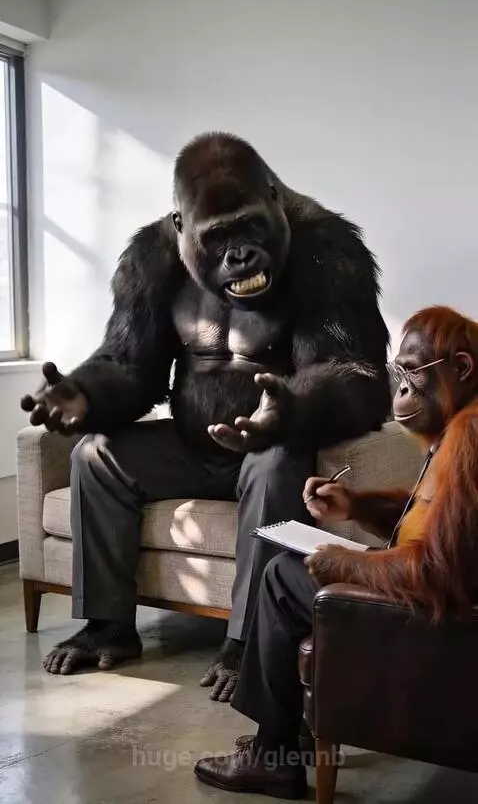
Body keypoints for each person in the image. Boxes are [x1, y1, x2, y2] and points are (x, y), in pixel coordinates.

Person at [21, 132, 390, 701]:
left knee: (271, 466)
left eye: (249, 228)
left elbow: (357, 376)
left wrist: (293, 408)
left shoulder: (326, 248)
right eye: (218, 238)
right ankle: (108, 627)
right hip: (193, 447)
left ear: (274, 198)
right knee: (95, 455)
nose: (238, 254)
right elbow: (128, 365)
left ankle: (249, 641)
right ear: (180, 227)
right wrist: (84, 396)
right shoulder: (151, 258)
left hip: (271, 447)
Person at [194, 305, 478, 799]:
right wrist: (357, 505)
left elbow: (436, 569)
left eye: (414, 373)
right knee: (296, 570)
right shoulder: (460, 426)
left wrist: (345, 563)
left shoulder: (470, 435)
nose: (403, 391)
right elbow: (439, 522)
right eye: (400, 374)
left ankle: (272, 755)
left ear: (462, 368)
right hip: (436, 597)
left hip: (441, 619)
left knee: (283, 575)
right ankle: (299, 729)